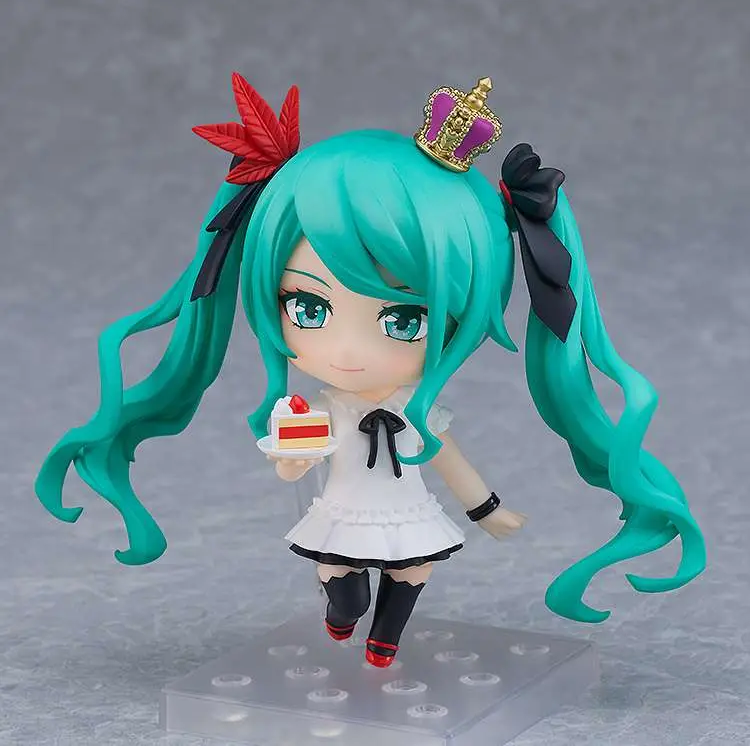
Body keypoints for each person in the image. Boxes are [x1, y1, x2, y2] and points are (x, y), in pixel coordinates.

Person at [35, 74, 705, 668]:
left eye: (404, 320)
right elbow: (292, 466)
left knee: (413, 571)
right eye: (308, 308)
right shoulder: (323, 409)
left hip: (407, 510)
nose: (348, 353)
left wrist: (489, 510)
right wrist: (293, 455)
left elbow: (450, 461)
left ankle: (386, 638)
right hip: (345, 509)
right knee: (342, 575)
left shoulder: (419, 411)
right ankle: (343, 610)